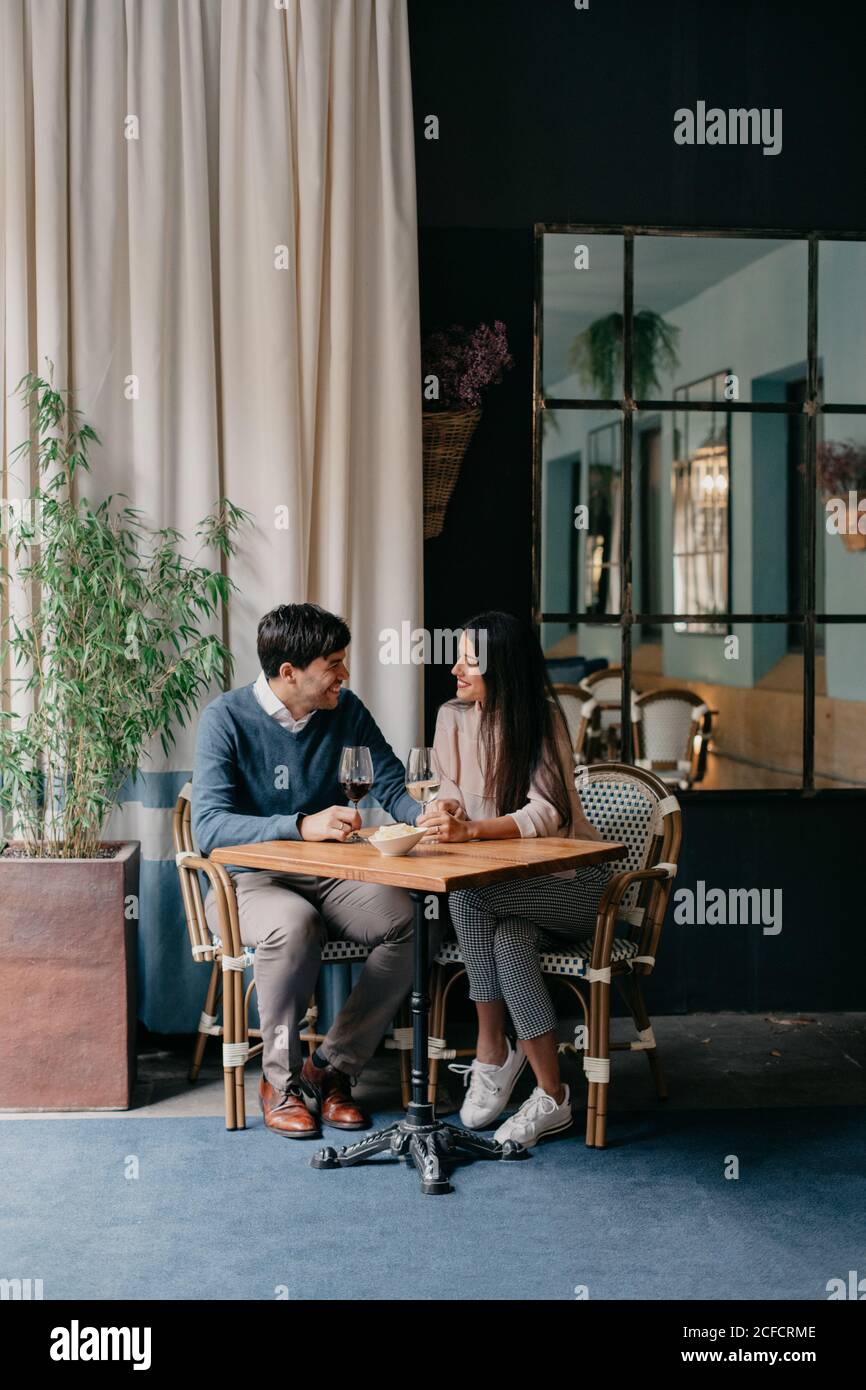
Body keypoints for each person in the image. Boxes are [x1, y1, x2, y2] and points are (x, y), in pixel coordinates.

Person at [192, 602, 437, 1138]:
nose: (344, 676)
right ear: (289, 673)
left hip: (333, 875)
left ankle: (329, 1069)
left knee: (412, 920)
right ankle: (278, 1082)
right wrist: (299, 824)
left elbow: (390, 783)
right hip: (249, 881)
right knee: (294, 924)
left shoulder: (344, 710)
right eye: (333, 664)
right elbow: (208, 828)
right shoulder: (226, 719)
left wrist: (427, 817)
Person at [416, 611, 617, 1148]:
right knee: (507, 940)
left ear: (502, 666)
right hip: (512, 902)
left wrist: (473, 831)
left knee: (470, 893)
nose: (456, 668)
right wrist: (447, 811)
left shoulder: (542, 717)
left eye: (471, 659)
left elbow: (546, 812)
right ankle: (553, 1096)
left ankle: (490, 1048)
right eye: (457, 654)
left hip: (574, 887)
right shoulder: (452, 716)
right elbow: (446, 790)